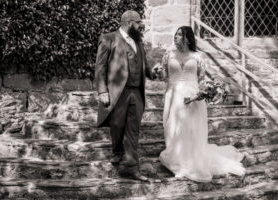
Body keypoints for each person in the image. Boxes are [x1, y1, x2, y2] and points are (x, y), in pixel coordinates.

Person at [155, 26, 245, 182]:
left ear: (187, 38)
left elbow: (202, 79)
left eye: (178, 35)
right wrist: (157, 72)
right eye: (175, 35)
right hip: (173, 94)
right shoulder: (168, 54)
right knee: (173, 126)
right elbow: (165, 76)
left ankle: (190, 159)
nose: (175, 37)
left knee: (191, 128)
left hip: (193, 96)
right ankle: (175, 155)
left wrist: (205, 92)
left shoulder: (198, 56)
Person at [95, 10, 157, 181]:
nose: (140, 26)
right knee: (117, 124)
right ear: (130, 23)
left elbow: (144, 66)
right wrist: (102, 91)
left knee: (133, 129)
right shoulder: (109, 38)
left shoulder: (138, 42)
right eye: (138, 23)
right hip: (118, 92)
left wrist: (153, 73)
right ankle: (117, 152)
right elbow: (100, 67)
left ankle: (130, 166)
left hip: (136, 92)